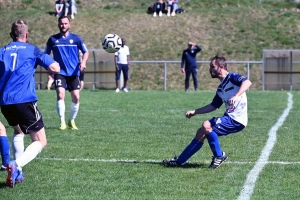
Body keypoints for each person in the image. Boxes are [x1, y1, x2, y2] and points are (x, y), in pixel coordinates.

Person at [163, 54, 252, 169]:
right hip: (230, 118)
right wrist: (195, 112)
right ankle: (180, 161)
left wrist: (235, 96)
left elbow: (247, 82)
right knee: (201, 132)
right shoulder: (220, 89)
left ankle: (219, 156)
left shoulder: (232, 77)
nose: (210, 69)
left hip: (236, 120)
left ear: (221, 67)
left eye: (212, 66)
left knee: (206, 125)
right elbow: (213, 106)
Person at [0, 19, 60, 188]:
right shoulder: (32, 49)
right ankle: (16, 165)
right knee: (41, 140)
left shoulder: (2, 51)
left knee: (18, 131)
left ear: (11, 35)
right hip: (24, 100)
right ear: (26, 35)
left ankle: (18, 174)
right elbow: (55, 68)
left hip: (5, 102)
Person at [45, 16, 89, 130]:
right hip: (60, 72)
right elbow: (46, 55)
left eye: (65, 23)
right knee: (60, 94)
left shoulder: (76, 39)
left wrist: (83, 62)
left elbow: (86, 52)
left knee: (76, 97)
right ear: (58, 24)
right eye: (61, 23)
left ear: (69, 24)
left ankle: (72, 121)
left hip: (74, 73)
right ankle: (62, 122)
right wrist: (50, 68)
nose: (63, 26)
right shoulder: (52, 39)